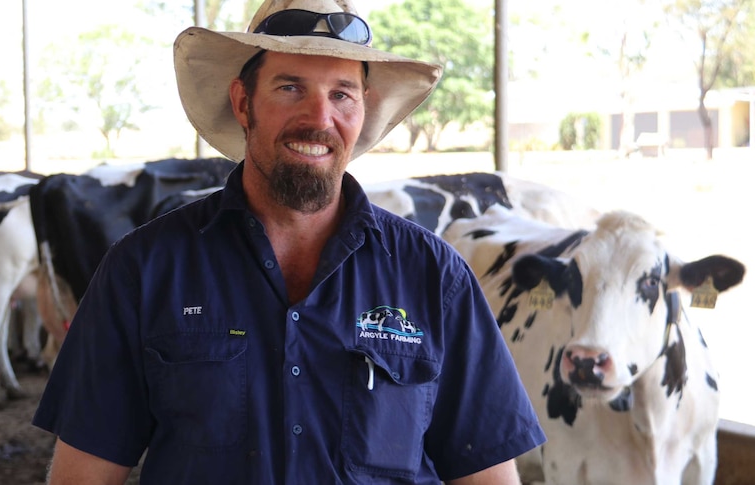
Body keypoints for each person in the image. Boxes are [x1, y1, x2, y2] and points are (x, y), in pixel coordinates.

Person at [32, 0, 546, 483]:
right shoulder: (144, 270)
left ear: (362, 109)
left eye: (341, 93)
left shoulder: (434, 277)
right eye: (290, 87)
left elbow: (488, 475)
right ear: (243, 102)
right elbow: (82, 475)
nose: (320, 119)